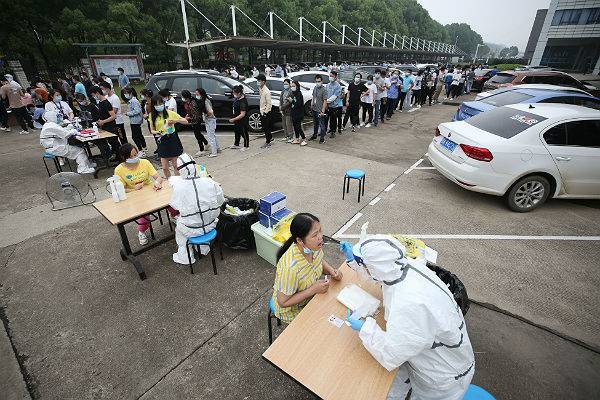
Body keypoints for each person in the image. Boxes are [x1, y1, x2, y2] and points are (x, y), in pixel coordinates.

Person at [339, 235, 475, 400]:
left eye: (365, 265)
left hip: (441, 379)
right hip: (447, 358)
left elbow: (392, 353)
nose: (365, 268)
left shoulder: (408, 304)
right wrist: (354, 261)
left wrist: (365, 328)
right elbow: (379, 276)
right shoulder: (407, 266)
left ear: (374, 266)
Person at [271, 213, 343, 323]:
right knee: (321, 326)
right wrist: (312, 290)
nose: (320, 237)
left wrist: (332, 271)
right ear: (300, 240)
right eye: (315, 235)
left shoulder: (313, 247)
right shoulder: (291, 268)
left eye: (320, 230)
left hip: (311, 297)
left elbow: (318, 261)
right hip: (292, 309)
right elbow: (283, 302)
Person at [114, 143, 174, 245]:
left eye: (136, 154)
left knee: (170, 199)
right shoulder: (119, 170)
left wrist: (157, 183)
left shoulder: (144, 162)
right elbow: (121, 189)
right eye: (131, 156)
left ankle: (175, 216)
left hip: (151, 190)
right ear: (124, 157)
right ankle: (141, 231)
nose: (135, 158)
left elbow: (158, 177)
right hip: (134, 196)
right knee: (144, 212)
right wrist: (133, 189)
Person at [170, 153, 224, 264]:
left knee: (179, 228)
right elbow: (221, 201)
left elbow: (174, 206)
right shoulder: (210, 182)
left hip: (191, 229)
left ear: (180, 170)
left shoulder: (179, 187)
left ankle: (186, 256)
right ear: (195, 165)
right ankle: (204, 248)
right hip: (211, 224)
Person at [149, 95, 187, 178]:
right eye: (157, 104)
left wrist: (175, 121)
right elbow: (151, 130)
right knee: (165, 167)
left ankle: (178, 181)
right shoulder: (152, 115)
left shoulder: (169, 113)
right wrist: (157, 132)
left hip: (172, 139)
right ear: (153, 106)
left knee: (175, 165)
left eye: (160, 103)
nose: (159, 106)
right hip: (162, 140)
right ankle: (170, 181)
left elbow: (185, 121)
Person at [89, 86, 119, 159]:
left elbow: (113, 116)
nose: (93, 97)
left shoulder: (106, 103)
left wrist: (103, 121)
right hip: (105, 126)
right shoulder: (100, 102)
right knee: (111, 143)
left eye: (93, 95)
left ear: (97, 93)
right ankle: (115, 156)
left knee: (115, 143)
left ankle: (120, 157)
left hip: (111, 127)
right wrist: (99, 120)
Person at [181, 89, 208, 156]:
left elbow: (196, 115)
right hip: (194, 120)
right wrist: (188, 115)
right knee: (198, 133)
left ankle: (201, 149)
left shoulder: (193, 103)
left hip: (197, 120)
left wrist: (189, 118)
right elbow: (189, 112)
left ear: (185, 97)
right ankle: (206, 143)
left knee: (197, 135)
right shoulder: (188, 102)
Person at [196, 88, 220, 158]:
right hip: (210, 120)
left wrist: (206, 116)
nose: (196, 95)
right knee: (213, 135)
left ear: (201, 94)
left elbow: (211, 111)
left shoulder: (205, 101)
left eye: (197, 94)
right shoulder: (205, 100)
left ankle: (214, 152)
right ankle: (217, 149)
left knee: (210, 136)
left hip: (210, 120)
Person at [123, 87, 146, 156]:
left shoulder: (134, 101)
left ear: (131, 93)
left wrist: (128, 113)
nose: (125, 95)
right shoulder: (132, 100)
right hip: (134, 120)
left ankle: (141, 150)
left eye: (126, 93)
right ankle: (144, 148)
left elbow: (137, 110)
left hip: (135, 121)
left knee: (135, 136)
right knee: (139, 135)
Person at [307, 75, 328, 143]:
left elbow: (325, 101)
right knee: (315, 124)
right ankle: (314, 135)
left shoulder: (324, 90)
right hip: (314, 109)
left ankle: (322, 139)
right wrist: (311, 105)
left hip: (320, 110)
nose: (317, 82)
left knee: (322, 125)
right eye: (316, 81)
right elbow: (313, 97)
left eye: (319, 81)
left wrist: (323, 111)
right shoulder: (315, 88)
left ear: (322, 81)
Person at [229, 85, 249, 151]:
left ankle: (246, 146)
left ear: (239, 93)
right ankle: (236, 144)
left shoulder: (243, 101)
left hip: (242, 120)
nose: (233, 94)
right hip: (237, 119)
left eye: (234, 93)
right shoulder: (237, 98)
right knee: (237, 131)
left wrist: (233, 119)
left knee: (244, 132)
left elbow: (242, 114)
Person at [256, 74, 273, 148]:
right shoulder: (260, 88)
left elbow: (269, 104)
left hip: (265, 112)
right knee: (264, 127)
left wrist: (265, 112)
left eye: (259, 81)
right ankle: (270, 137)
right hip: (262, 110)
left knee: (266, 127)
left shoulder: (266, 91)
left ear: (263, 81)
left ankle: (268, 142)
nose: (257, 82)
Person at [289, 80, 307, 146]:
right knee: (295, 126)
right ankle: (297, 139)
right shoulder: (293, 93)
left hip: (298, 113)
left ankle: (304, 139)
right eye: (291, 86)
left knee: (298, 127)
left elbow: (299, 104)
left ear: (297, 86)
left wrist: (292, 101)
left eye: (294, 86)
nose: (292, 87)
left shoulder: (299, 94)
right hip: (293, 113)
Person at [325, 70, 343, 137]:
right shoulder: (328, 85)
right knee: (326, 119)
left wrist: (326, 102)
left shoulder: (338, 86)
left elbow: (334, 97)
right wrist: (325, 103)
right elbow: (326, 94)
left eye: (332, 76)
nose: (330, 77)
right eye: (330, 76)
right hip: (327, 105)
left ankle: (333, 132)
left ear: (335, 77)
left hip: (334, 106)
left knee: (333, 119)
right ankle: (327, 130)